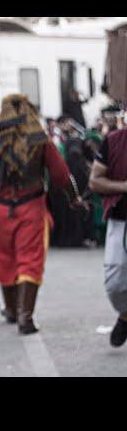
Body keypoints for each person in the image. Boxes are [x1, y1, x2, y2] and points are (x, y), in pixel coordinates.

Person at [0, 94, 85, 335]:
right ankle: (25, 317)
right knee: (29, 260)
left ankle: (11, 309)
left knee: (4, 258)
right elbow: (62, 175)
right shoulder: (40, 140)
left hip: (1, 210)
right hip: (31, 208)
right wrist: (74, 198)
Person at [89, 125, 127, 347]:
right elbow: (95, 181)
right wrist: (124, 186)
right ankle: (125, 315)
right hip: (121, 220)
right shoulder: (113, 141)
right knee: (115, 283)